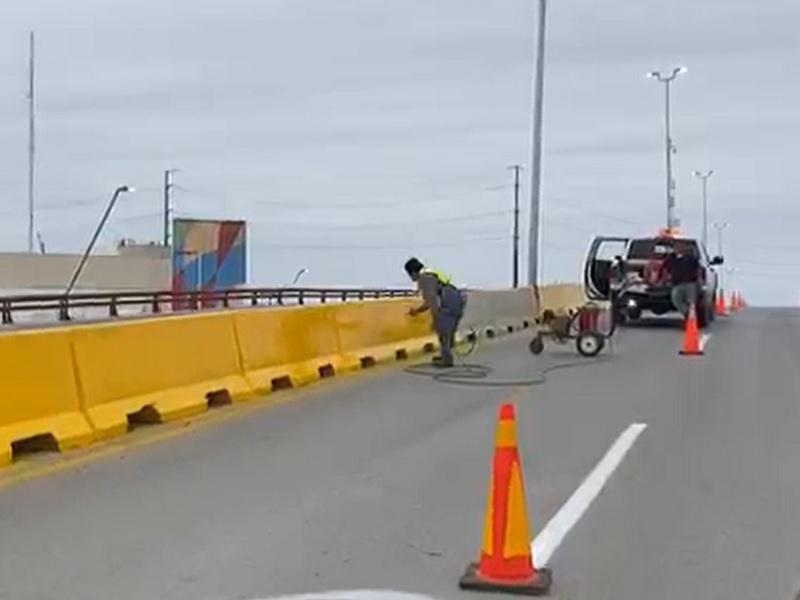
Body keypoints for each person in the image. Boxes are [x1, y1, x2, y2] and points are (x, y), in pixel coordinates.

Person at [404, 257, 466, 367]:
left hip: (449, 302)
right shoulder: (430, 274)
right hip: (457, 299)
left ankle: (447, 359)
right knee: (447, 331)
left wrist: (436, 319)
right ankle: (445, 355)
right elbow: (429, 302)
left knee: (442, 330)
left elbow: (432, 301)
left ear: (413, 272)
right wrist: (417, 311)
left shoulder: (424, 279)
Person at [663, 244, 701, 317]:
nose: (679, 249)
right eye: (676, 248)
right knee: (676, 301)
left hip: (691, 284)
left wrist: (699, 282)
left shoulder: (693, 259)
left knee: (691, 303)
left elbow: (698, 270)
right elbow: (666, 267)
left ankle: (692, 320)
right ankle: (688, 313)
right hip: (677, 284)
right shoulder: (673, 259)